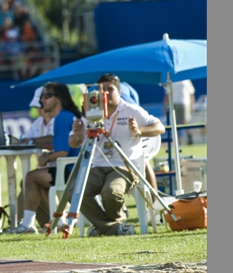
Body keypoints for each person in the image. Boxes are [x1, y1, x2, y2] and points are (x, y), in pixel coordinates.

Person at [68, 74, 165, 237]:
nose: (105, 93)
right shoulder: (91, 110)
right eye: (101, 89)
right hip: (97, 167)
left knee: (111, 192)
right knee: (75, 192)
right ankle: (113, 227)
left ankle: (102, 227)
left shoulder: (130, 109)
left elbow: (159, 127)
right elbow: (73, 143)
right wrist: (77, 136)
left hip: (125, 166)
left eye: (109, 89)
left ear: (119, 92)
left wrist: (139, 131)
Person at [7, 82, 82, 234]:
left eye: (47, 96)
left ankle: (28, 224)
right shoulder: (66, 116)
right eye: (42, 97)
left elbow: (63, 152)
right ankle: (57, 222)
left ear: (59, 99)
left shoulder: (62, 118)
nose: (42, 101)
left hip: (69, 171)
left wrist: (46, 158)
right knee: (38, 182)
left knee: (30, 177)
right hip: (72, 169)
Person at [163, 79, 195, 145]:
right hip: (173, 104)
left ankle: (189, 137)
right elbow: (167, 95)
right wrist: (165, 107)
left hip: (184, 103)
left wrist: (192, 106)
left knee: (184, 122)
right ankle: (177, 139)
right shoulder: (170, 80)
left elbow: (191, 94)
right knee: (175, 123)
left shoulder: (186, 80)